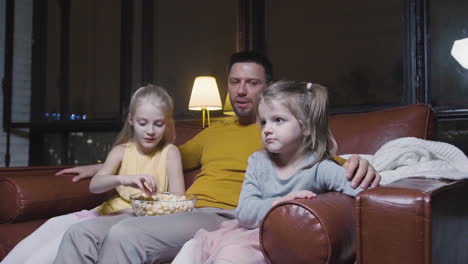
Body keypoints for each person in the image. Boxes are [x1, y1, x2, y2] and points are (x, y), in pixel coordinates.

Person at [53, 51, 381, 264]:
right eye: (235, 82)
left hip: (223, 216)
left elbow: (325, 165)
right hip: (187, 209)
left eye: (251, 83)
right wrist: (101, 165)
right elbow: (158, 155)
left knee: (125, 235)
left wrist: (361, 164)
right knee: (79, 234)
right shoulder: (214, 131)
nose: (240, 90)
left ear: (267, 88)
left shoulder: (283, 135)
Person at [172, 80, 364, 263]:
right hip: (242, 230)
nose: (267, 129)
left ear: (305, 127)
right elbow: (245, 212)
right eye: (264, 122)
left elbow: (364, 196)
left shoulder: (319, 167)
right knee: (194, 246)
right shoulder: (257, 162)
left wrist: (367, 176)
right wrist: (278, 203)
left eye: (278, 120)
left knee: (231, 256)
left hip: (273, 241)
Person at [1, 85, 184, 264]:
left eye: (158, 124)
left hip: (124, 220)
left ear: (167, 123)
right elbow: (95, 186)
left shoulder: (170, 153)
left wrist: (138, 208)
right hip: (98, 214)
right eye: (142, 123)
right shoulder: (121, 151)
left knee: (53, 249)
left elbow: (178, 202)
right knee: (52, 225)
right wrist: (124, 179)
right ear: (130, 120)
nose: (150, 131)